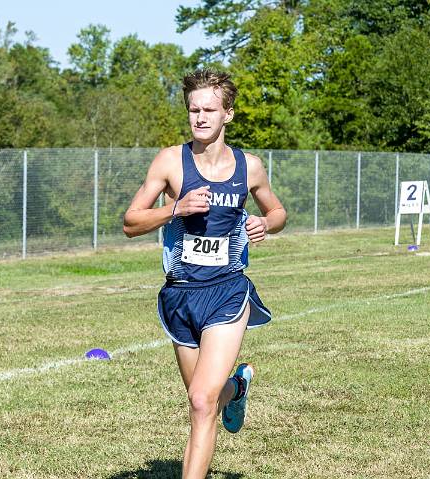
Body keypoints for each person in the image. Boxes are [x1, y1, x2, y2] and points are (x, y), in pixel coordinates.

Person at [123, 69, 287, 479]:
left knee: (199, 400)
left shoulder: (249, 166)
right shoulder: (169, 161)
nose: (200, 117)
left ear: (227, 114)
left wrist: (267, 224)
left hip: (228, 291)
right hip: (180, 294)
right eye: (194, 109)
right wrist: (173, 209)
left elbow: (278, 211)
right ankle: (239, 388)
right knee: (207, 400)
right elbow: (130, 222)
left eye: (209, 109)